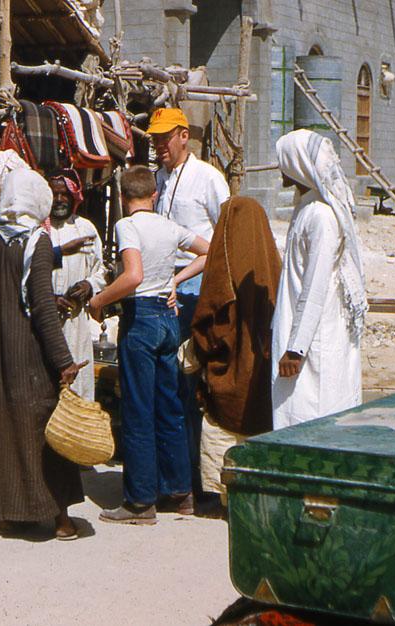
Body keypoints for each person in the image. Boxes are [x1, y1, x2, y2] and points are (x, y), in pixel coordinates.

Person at [88, 165, 209, 525]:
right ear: (153, 194)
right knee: (169, 406)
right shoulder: (169, 226)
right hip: (168, 320)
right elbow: (209, 250)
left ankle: (140, 501)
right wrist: (176, 279)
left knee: (138, 410)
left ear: (124, 198)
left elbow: (133, 276)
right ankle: (180, 491)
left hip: (140, 317)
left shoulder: (127, 226)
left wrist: (100, 301)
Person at [0, 168, 86, 540]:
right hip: (29, 353)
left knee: (5, 427)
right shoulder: (37, 241)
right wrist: (64, 360)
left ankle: (9, 513)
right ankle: (60, 519)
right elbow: (40, 305)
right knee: (45, 432)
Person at [147, 107, 230, 499]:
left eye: (165, 137)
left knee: (192, 384)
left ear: (184, 135)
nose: (159, 145)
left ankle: (200, 482)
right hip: (164, 293)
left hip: (195, 293)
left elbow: (224, 236)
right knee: (168, 384)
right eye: (155, 139)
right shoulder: (158, 180)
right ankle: (175, 479)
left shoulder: (208, 179)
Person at [190, 195, 281, 508]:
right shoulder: (272, 262)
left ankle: (222, 496)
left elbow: (210, 314)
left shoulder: (223, 262)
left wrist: (204, 349)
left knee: (220, 428)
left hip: (231, 368)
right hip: (261, 372)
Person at [272, 129, 367, 429]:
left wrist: (296, 348)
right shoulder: (308, 208)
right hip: (305, 329)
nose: (279, 168)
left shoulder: (321, 217)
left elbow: (316, 285)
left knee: (315, 413)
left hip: (317, 337)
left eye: (283, 160)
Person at [47, 169, 107, 401]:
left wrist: (89, 285)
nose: (60, 199)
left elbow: (101, 270)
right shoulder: (39, 230)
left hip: (76, 320)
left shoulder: (86, 229)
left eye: (64, 194)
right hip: (47, 320)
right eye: (54, 194)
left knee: (78, 389)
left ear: (74, 196)